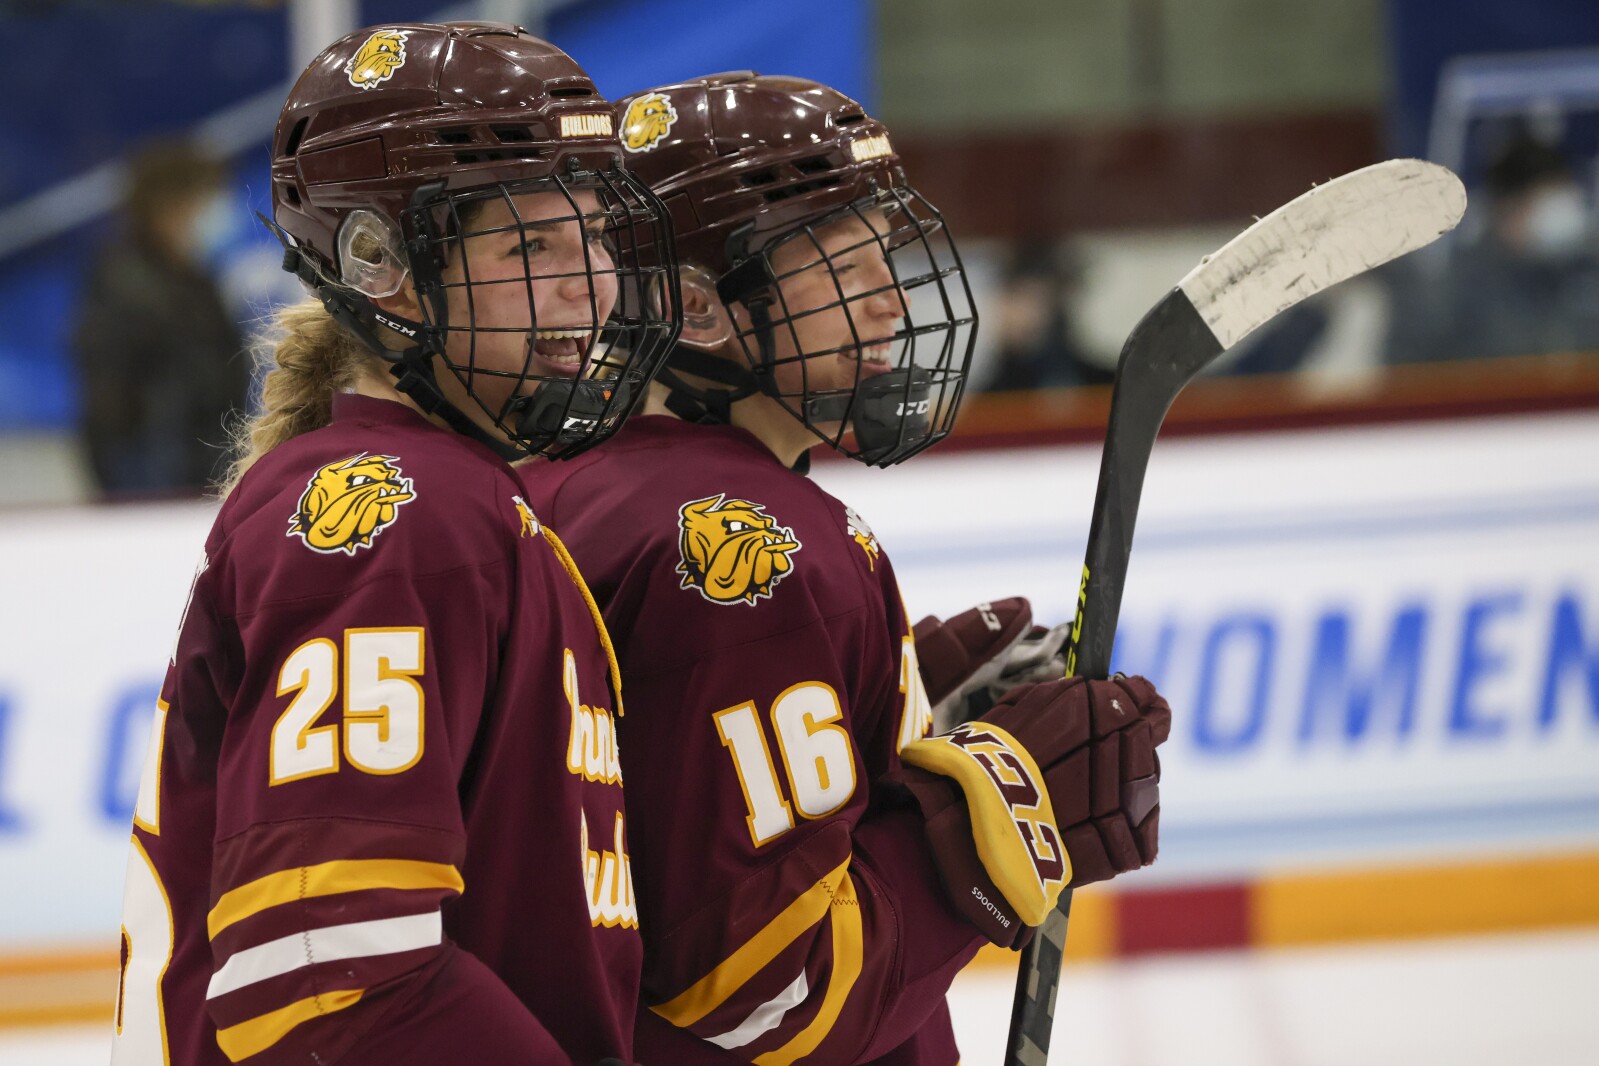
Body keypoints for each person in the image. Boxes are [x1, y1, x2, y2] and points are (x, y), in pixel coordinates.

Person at [521, 73, 1171, 1064]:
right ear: (697, 309)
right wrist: (997, 811)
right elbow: (768, 991)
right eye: (840, 263)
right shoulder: (753, 551)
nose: (889, 301)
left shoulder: (566, 480)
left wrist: (895, 736)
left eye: (884, 252)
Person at [110, 23, 678, 1065]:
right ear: (381, 265)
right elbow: (325, 971)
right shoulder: (403, 519)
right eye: (530, 247)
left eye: (594, 236)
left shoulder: (456, 498)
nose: (592, 285)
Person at [72, 139, 251, 496]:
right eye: (207, 197)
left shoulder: (195, 278)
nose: (216, 209)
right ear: (170, 205)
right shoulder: (126, 283)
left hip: (202, 462)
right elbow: (114, 398)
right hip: (155, 470)